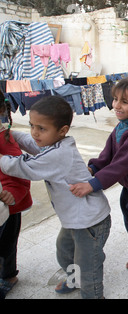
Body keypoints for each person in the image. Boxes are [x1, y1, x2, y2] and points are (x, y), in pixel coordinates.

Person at [0, 96, 111, 299]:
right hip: (74, 219)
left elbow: (23, 167)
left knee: (88, 264)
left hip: (90, 221)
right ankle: (74, 278)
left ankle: (93, 295)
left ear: (63, 130)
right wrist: (7, 133)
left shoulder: (59, 155)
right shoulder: (54, 143)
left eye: (41, 128)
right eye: (32, 125)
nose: (34, 132)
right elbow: (30, 142)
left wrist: (1, 157)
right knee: (64, 251)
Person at [70, 77, 128, 297]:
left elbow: (121, 165)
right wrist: (93, 168)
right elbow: (108, 156)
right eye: (115, 99)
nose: (116, 105)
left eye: (124, 102)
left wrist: (92, 185)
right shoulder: (122, 127)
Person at [0, 92, 32, 298]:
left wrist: (11, 192)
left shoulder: (4, 139)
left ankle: (9, 276)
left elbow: (20, 172)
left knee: (6, 246)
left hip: (8, 206)